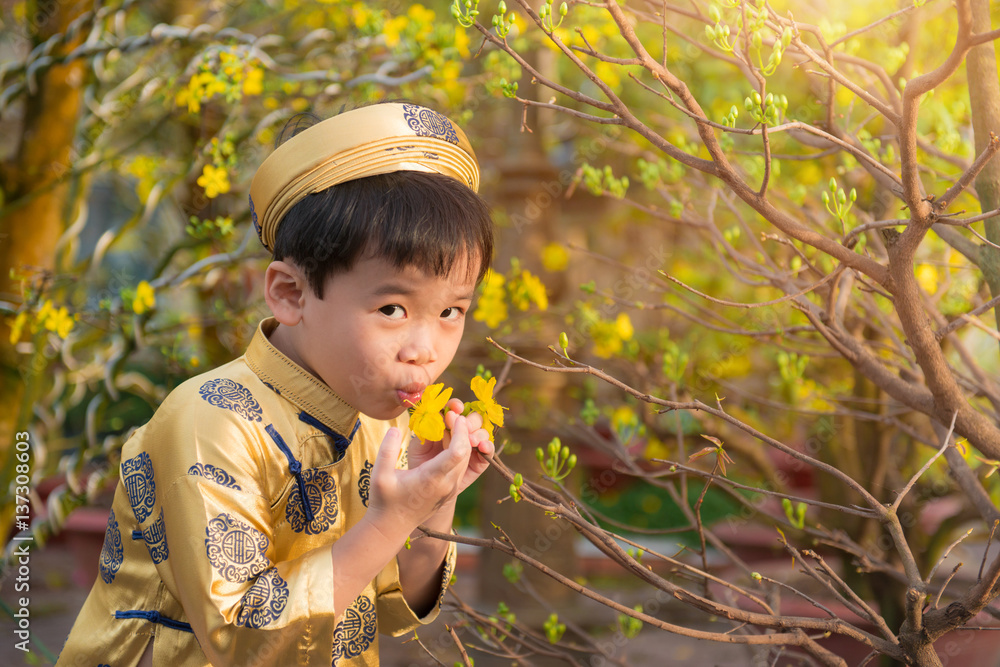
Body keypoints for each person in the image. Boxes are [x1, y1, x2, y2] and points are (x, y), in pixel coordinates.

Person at [55, 102, 496, 666]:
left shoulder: (376, 417)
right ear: (291, 293)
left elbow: (390, 609)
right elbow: (241, 641)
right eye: (391, 307)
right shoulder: (209, 418)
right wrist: (392, 518)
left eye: (452, 312)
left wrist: (435, 502)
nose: (425, 350)